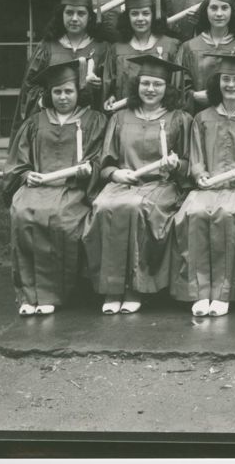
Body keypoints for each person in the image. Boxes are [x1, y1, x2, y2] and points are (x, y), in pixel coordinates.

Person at [83, 54, 192, 314]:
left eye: (157, 84)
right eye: (145, 83)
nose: (151, 89)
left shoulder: (179, 118)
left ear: (167, 88)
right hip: (123, 182)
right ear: (136, 85)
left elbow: (189, 164)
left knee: (135, 207)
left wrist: (176, 165)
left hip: (161, 185)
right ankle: (112, 288)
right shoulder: (120, 118)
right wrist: (115, 174)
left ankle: (135, 288)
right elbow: (105, 161)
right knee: (103, 205)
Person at [170, 53, 235, 317]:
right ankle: (200, 291)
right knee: (192, 214)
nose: (231, 85)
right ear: (217, 83)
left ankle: (224, 292)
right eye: (226, 79)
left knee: (229, 216)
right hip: (209, 187)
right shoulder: (203, 118)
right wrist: (199, 173)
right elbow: (196, 158)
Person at [2, 61, 107, 316]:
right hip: (37, 186)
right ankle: (28, 294)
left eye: (68, 91)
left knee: (59, 220)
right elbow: (19, 162)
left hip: (72, 190)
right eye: (57, 92)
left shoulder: (94, 119)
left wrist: (89, 169)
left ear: (78, 91)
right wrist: (27, 174)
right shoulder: (35, 122)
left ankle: (52, 294)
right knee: (22, 212)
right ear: (49, 94)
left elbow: (99, 158)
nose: (62, 97)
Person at [12, 0, 106, 134]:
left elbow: (111, 91)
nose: (74, 18)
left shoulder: (102, 49)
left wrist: (98, 86)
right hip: (51, 127)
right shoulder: (47, 47)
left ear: (90, 17)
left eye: (81, 13)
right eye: (69, 12)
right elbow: (29, 89)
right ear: (61, 14)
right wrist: (53, 93)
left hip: (89, 129)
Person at [175, 0, 235, 115]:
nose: (219, 14)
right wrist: (193, 95)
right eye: (213, 8)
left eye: (225, 8)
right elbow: (179, 87)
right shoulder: (189, 47)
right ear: (205, 10)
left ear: (233, 11)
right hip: (198, 116)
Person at [101, 0, 180, 111]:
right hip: (125, 117)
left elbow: (176, 86)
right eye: (134, 14)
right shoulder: (117, 49)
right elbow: (110, 85)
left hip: (161, 115)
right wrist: (110, 97)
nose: (140, 19)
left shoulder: (171, 46)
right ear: (127, 17)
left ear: (154, 15)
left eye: (145, 13)